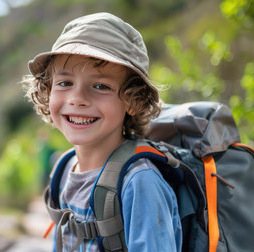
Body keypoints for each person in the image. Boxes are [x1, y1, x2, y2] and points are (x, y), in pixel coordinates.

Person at [22, 12, 182, 251]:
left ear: (133, 100)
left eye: (100, 86)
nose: (77, 99)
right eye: (65, 83)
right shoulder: (64, 169)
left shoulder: (140, 182)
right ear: (47, 91)